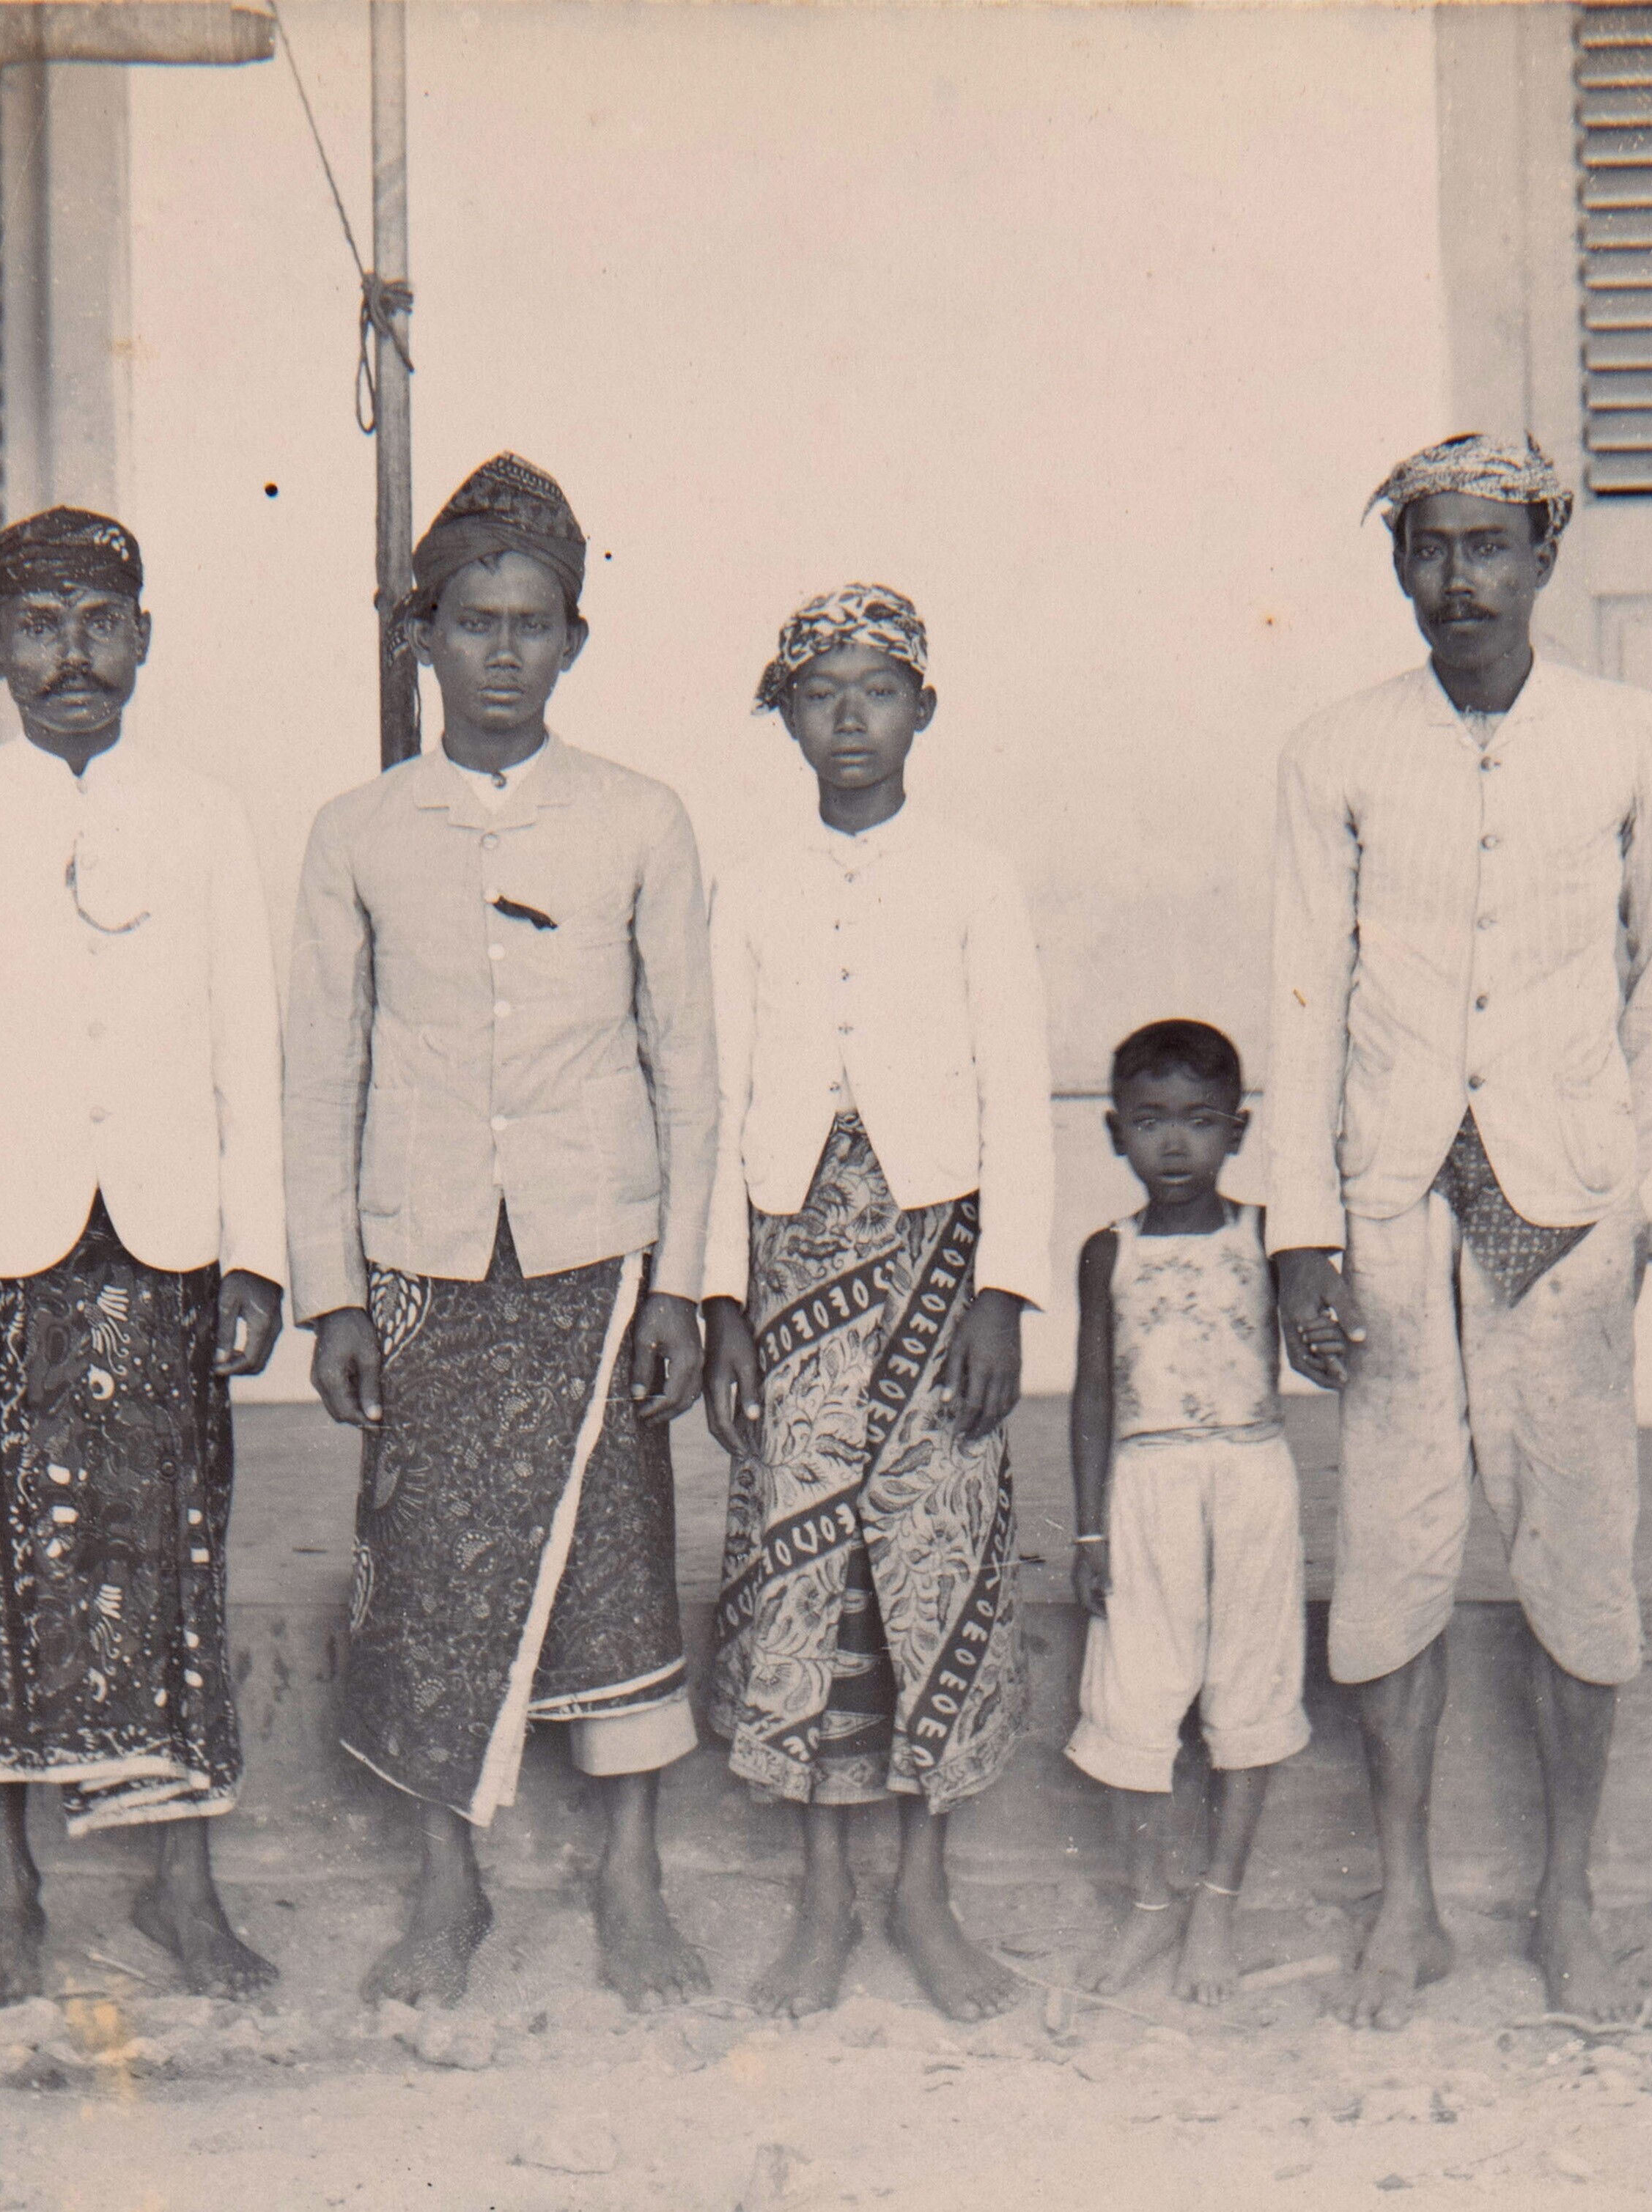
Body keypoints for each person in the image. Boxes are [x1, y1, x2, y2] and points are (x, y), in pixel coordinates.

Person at [1265, 435, 1652, 2030]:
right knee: (1393, 1546)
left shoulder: (1632, 738)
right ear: (1400, 565)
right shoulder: (1335, 750)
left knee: (1576, 1544)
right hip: (1391, 1200)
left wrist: (1612, 1168)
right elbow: (1303, 999)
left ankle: (1565, 1898)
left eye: (1489, 547)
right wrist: (1302, 1233)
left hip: (1562, 1208)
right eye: (1431, 547)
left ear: (1542, 560)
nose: (1459, 578)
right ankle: (1407, 1902)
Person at [285, 454, 718, 2013]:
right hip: (426, 1255)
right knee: (426, 1568)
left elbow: (688, 1061)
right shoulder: (357, 830)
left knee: (616, 1556)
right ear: (422, 635)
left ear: (574, 640)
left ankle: (631, 1877)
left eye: (534, 624)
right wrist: (332, 1294)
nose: (504, 653)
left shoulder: (639, 817)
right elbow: (320, 1069)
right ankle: (445, 1887)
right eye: (474, 622)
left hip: (595, 1248)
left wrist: (683, 1284)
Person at [0, 506, 288, 2010]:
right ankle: (10, 1891)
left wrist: (256, 1254)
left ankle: (184, 1887)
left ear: (144, 638)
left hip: (164, 1247)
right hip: (0, 1256)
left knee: (175, 1560)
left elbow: (246, 1048)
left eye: (100, 622)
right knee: (0, 1562)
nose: (72, 656)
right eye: (38, 626)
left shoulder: (205, 819)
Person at [700, 584, 1051, 2023]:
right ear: (786, 715)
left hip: (935, 1261)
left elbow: (1016, 1090)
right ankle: (821, 1899)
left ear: (924, 710)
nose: (850, 718)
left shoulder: (974, 880)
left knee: (936, 1563)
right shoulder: (751, 889)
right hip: (792, 1259)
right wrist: (722, 1302)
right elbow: (720, 1101)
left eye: (878, 690)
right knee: (808, 1570)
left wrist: (1003, 1291)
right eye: (820, 692)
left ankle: (923, 1893)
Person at [1066, 1019, 1310, 2008]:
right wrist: (1089, 1530)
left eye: (1201, 1122)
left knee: (1250, 1684)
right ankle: (1150, 1904)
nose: (1174, 1144)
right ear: (1114, 1130)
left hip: (1251, 1477)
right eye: (1151, 1121)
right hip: (1147, 1484)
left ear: (1237, 1131)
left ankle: (1217, 1903)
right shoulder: (1107, 1251)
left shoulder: (1268, 1238)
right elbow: (1092, 1394)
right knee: (1135, 1691)